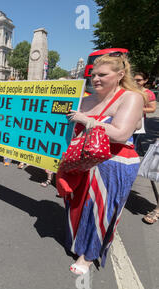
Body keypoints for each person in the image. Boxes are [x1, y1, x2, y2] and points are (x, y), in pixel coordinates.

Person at [59, 53, 146, 275]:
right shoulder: (85, 98)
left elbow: (120, 133)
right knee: (78, 204)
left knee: (99, 210)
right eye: (93, 74)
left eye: (102, 75)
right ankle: (77, 242)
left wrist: (87, 120)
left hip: (113, 163)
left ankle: (88, 255)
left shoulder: (131, 97)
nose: (96, 78)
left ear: (120, 75)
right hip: (80, 161)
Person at [133, 72, 157, 151]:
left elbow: (152, 109)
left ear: (145, 80)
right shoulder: (129, 90)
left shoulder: (149, 93)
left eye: (138, 80)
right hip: (124, 120)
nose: (136, 82)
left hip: (138, 121)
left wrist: (136, 109)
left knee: (133, 143)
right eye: (134, 80)